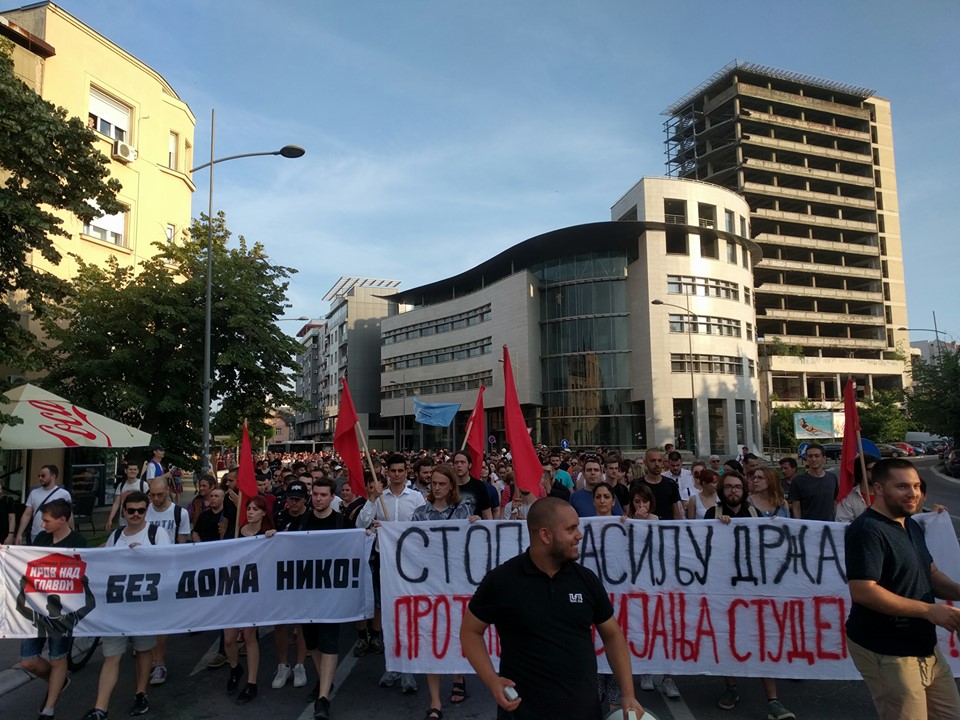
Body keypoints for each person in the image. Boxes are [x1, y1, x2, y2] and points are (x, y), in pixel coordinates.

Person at [460, 498, 644, 720]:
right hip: (523, 713)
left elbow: (613, 635)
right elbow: (470, 631)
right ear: (546, 535)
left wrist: (628, 694)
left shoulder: (586, 580)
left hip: (584, 712)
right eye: (570, 529)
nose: (579, 535)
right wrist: (492, 680)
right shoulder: (502, 581)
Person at [845, 458, 960, 718]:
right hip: (888, 651)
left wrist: (958, 591)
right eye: (902, 487)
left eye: (917, 486)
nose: (913, 493)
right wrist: (928, 611)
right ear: (878, 489)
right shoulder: (866, 531)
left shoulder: (911, 524)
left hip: (924, 647)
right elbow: (863, 590)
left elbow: (929, 574)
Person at [707, 478, 795, 720]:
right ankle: (731, 687)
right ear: (722, 491)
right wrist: (718, 527)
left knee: (761, 640)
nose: (733, 491)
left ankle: (773, 700)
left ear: (743, 491)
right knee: (727, 639)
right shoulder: (710, 514)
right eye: (728, 487)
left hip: (753, 589)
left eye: (737, 487)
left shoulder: (755, 514)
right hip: (723, 589)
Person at [80, 492, 170, 720]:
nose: (136, 514)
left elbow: (169, 563)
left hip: (144, 607)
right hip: (117, 607)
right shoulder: (116, 536)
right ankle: (100, 708)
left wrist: (145, 555)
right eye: (131, 510)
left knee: (143, 650)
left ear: (146, 511)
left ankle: (141, 693)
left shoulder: (156, 534)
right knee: (112, 655)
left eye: (141, 510)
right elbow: (104, 562)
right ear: (124, 512)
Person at [17, 499, 92, 719]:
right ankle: (58, 682)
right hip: (36, 608)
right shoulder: (42, 538)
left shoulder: (79, 542)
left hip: (63, 612)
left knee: (58, 657)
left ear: (62, 520)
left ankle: (48, 709)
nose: (42, 525)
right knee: (28, 661)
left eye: (46, 521)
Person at [358, 454, 426, 696]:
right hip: (385, 564)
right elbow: (360, 525)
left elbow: (424, 528)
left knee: (409, 615)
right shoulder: (379, 498)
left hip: (410, 565)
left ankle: (408, 668)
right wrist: (371, 500)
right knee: (389, 615)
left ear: (407, 472)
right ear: (386, 472)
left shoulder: (417, 498)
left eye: (400, 470)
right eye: (393, 471)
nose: (397, 474)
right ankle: (393, 664)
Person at [411, 465, 475, 719]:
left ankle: (458, 676)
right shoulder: (419, 514)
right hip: (429, 585)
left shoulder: (463, 511)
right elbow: (410, 545)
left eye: (441, 484)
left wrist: (476, 524)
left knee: (458, 633)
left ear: (451, 487)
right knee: (431, 638)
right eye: (433, 484)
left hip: (456, 584)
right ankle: (435, 701)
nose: (436, 488)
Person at [302, 478, 349, 720]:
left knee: (329, 641)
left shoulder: (342, 522)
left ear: (333, 497)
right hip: (307, 594)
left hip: (332, 594)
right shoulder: (303, 522)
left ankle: (322, 699)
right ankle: (324, 682)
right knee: (312, 643)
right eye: (315, 494)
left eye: (323, 495)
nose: (318, 498)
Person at [224, 495, 277, 704]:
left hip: (255, 591)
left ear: (264, 512)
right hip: (233, 589)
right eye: (248, 508)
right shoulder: (236, 531)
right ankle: (235, 668)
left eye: (255, 509)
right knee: (228, 639)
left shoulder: (268, 534)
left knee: (249, 637)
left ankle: (252, 683)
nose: (250, 512)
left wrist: (273, 538)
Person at [144, 477, 190, 686]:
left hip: (167, 573)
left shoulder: (180, 513)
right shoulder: (143, 511)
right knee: (148, 619)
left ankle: (159, 662)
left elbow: (182, 544)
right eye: (152, 495)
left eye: (159, 494)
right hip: (145, 572)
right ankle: (150, 658)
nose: (155, 498)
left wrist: (178, 573)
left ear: (168, 492)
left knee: (160, 621)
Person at [271, 480, 311, 691]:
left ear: (305, 499)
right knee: (280, 623)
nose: (293, 503)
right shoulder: (279, 517)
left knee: (301, 623)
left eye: (297, 499)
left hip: (304, 576)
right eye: (290, 499)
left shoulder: (311, 517)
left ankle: (300, 665)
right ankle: (283, 663)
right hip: (282, 576)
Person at [16, 465, 72, 545]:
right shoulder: (34, 493)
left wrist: (71, 532)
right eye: (39, 476)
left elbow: (69, 516)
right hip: (36, 533)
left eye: (43, 476)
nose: (40, 478)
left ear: (53, 476)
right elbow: (27, 514)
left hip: (56, 534)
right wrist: (19, 533)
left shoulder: (64, 494)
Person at [788, 443, 838, 520]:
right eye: (810, 456)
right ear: (806, 459)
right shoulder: (798, 481)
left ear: (824, 458)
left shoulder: (832, 478)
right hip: (808, 527)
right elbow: (796, 507)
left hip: (829, 526)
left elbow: (835, 502)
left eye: (817, 456)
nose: (813, 459)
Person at [636, 448, 682, 520]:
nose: (657, 464)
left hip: (667, 528)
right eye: (653, 461)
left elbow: (677, 515)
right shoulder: (637, 484)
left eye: (659, 461)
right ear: (645, 463)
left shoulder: (671, 484)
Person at [105, 462, 149, 531]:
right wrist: (110, 519)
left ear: (138, 471)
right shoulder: (121, 486)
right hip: (123, 521)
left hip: (139, 520)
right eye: (130, 469)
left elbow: (148, 503)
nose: (132, 471)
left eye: (135, 469)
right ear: (126, 471)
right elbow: (116, 504)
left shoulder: (143, 485)